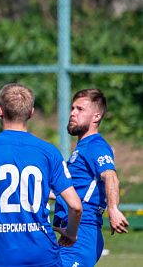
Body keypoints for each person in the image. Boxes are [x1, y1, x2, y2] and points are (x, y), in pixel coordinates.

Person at [0, 83, 83, 266]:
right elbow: (76, 206)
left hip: (1, 257)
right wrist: (71, 233)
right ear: (31, 113)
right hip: (44, 255)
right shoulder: (49, 152)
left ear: (0, 111)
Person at [53, 88, 129, 267]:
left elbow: (110, 176)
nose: (72, 113)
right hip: (71, 232)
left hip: (82, 232)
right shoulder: (82, 148)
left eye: (80, 109)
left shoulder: (96, 146)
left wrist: (113, 209)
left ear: (96, 117)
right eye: (72, 108)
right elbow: (72, 191)